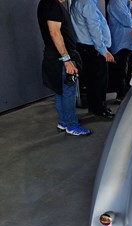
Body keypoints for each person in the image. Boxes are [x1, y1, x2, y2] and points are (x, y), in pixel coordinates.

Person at [37, 0, 92, 136]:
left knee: (60, 90)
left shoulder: (45, 3)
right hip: (61, 58)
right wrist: (66, 59)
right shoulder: (53, 5)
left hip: (55, 56)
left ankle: (63, 122)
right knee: (68, 91)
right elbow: (55, 33)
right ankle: (72, 125)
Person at [70, 0, 116, 119]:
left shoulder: (77, 2)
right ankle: (100, 109)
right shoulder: (88, 3)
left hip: (84, 47)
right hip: (94, 48)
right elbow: (94, 28)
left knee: (91, 79)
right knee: (99, 80)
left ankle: (94, 107)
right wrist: (103, 50)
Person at [107, 0, 132, 103]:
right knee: (121, 70)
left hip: (129, 41)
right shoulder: (116, 2)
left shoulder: (127, 2)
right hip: (120, 42)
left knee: (129, 68)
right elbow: (128, 22)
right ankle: (121, 95)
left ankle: (126, 90)